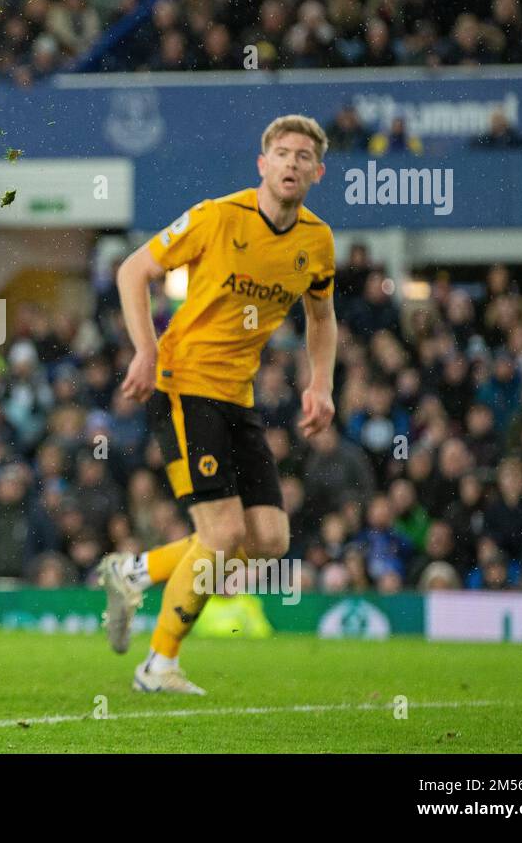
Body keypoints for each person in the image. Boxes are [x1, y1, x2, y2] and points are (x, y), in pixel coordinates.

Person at [96, 114, 338, 695]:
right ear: (263, 163)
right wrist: (145, 352)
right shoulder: (215, 217)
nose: (292, 163)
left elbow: (323, 318)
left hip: (240, 396)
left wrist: (321, 383)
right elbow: (133, 270)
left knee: (271, 539)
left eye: (305, 156)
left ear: (318, 172)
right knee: (223, 535)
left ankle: (136, 571)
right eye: (282, 152)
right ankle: (158, 666)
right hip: (184, 385)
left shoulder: (316, 241)